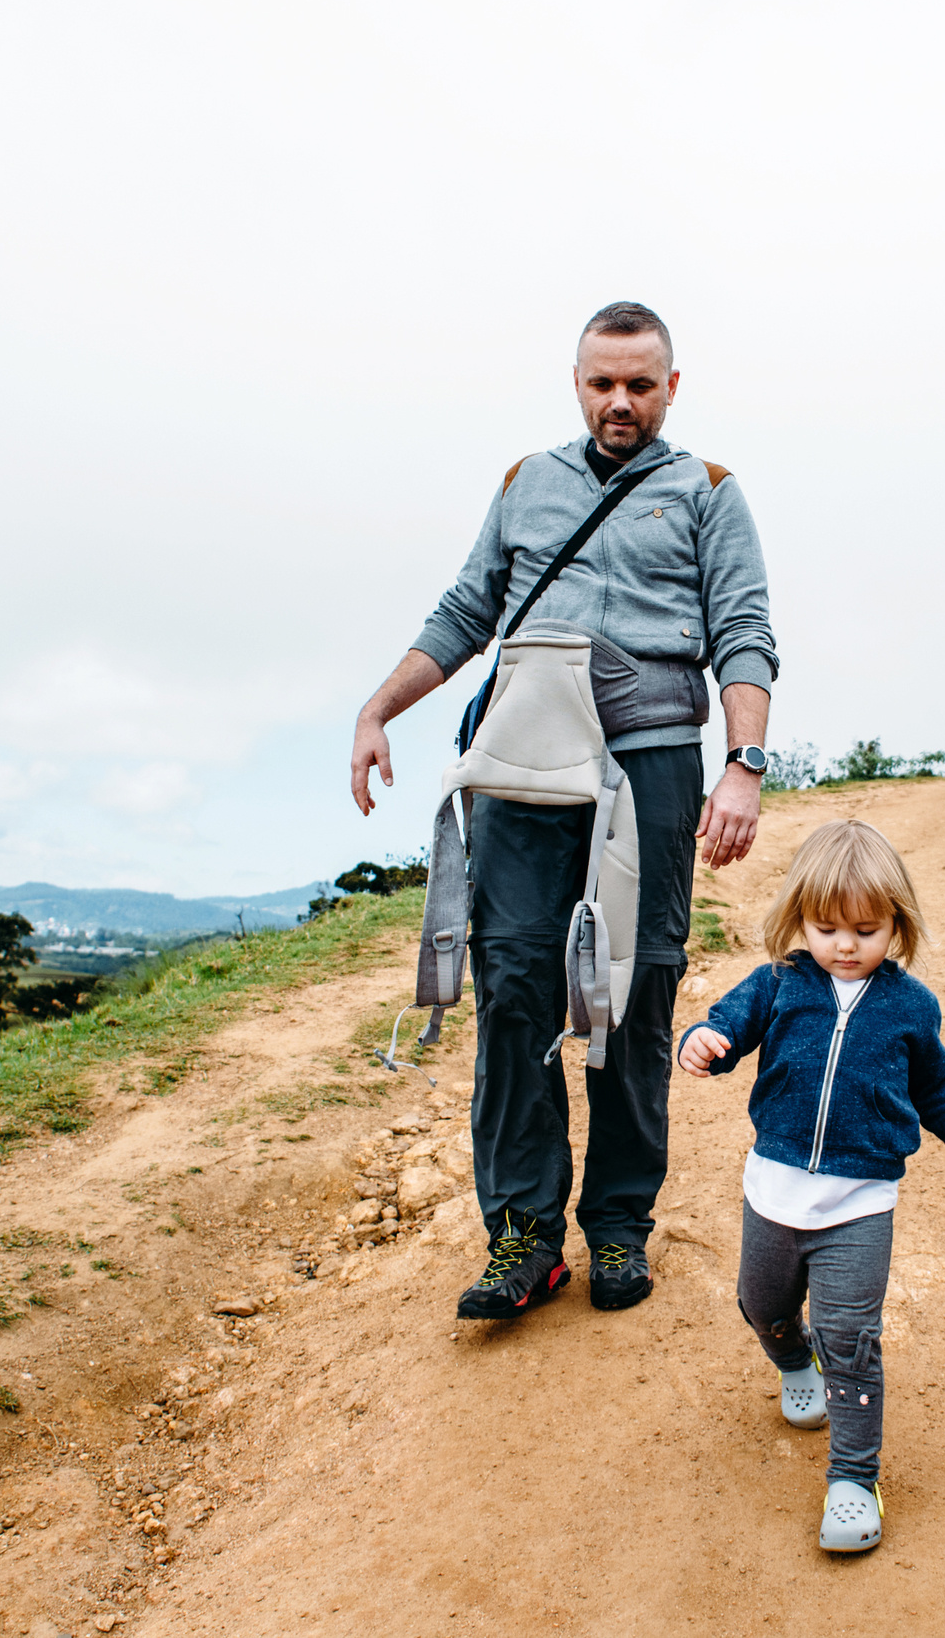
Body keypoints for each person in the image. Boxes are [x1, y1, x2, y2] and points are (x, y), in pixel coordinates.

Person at [349, 301, 778, 1321]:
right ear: (576, 382)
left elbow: (746, 632)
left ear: (671, 387)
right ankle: (525, 1236)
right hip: (522, 767)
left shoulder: (708, 491)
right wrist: (378, 709)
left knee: (632, 991)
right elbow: (465, 611)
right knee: (512, 989)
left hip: (649, 763)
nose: (618, 401)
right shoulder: (524, 484)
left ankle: (619, 1227)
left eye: (639, 383)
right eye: (601, 383)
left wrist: (743, 765)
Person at [676, 818, 945, 1553]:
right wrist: (701, 1041)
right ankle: (791, 1360)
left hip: (860, 1205)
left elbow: (941, 1095)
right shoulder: (778, 982)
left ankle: (852, 1479)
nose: (844, 944)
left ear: (897, 925)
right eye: (826, 926)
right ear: (799, 917)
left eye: (866, 929)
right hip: (773, 1191)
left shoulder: (910, 1007)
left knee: (852, 1335)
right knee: (762, 1303)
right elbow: (724, 1026)